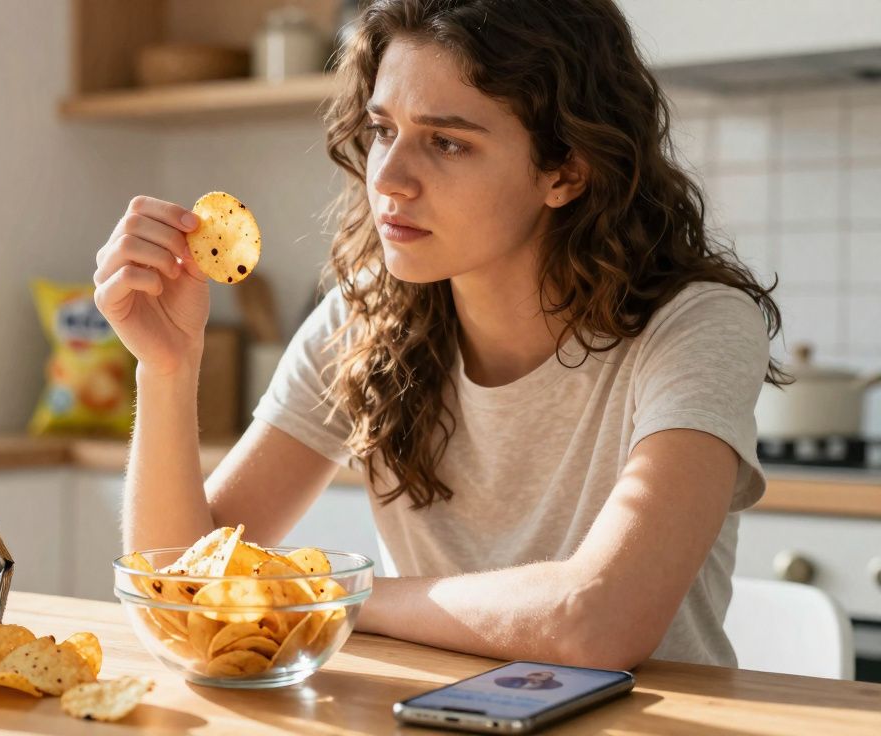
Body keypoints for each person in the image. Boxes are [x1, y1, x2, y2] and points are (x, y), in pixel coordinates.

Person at [91, 0, 785, 670]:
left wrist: (330, 596)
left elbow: (598, 618)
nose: (388, 179)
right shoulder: (363, 319)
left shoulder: (693, 325)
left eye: (447, 141)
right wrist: (167, 367)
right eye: (382, 130)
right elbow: (180, 595)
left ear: (566, 170)